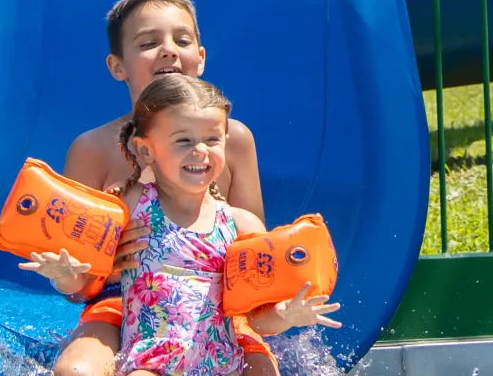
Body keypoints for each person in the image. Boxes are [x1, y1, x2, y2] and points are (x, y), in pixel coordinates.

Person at [22, 75, 338, 376]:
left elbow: (256, 320)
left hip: (222, 362)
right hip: (150, 361)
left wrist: (285, 316)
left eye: (212, 139)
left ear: (225, 143)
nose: (200, 150)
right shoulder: (129, 208)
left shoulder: (240, 225)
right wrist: (66, 277)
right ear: (146, 149)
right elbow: (87, 283)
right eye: (183, 140)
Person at [45, 0, 271, 375]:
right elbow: (78, 282)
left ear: (200, 58)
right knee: (74, 372)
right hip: (121, 300)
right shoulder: (93, 149)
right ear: (118, 66)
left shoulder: (233, 141)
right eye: (149, 42)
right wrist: (105, 265)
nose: (168, 50)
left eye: (181, 40)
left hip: (219, 302)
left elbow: (251, 251)